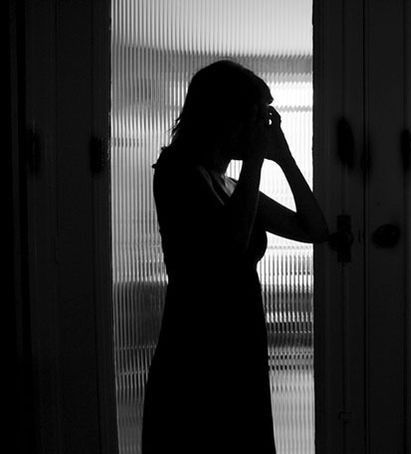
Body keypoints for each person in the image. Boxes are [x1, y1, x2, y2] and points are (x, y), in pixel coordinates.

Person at [141, 60, 329, 453]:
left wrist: (285, 158)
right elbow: (230, 246)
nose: (265, 127)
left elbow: (314, 230)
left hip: (238, 344)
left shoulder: (228, 182)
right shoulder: (177, 172)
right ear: (227, 116)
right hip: (198, 354)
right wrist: (258, 160)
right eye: (259, 116)